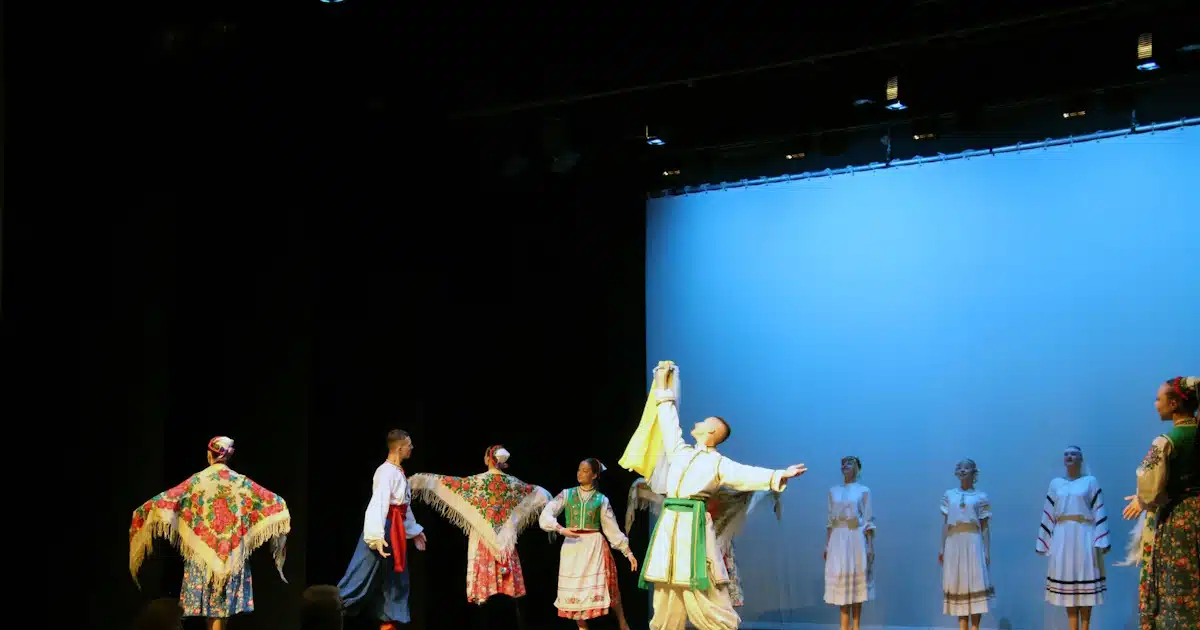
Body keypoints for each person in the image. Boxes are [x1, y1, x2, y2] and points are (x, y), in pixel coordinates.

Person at [618, 361, 807, 630]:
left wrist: (778, 475)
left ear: (710, 432)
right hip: (670, 527)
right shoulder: (680, 452)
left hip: (693, 529)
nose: (696, 422)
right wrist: (662, 382)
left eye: (703, 422)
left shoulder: (718, 464)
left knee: (706, 592)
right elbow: (668, 419)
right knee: (666, 594)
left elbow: (746, 474)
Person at [129, 437, 290, 630]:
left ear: (209, 455)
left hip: (201, 559)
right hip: (232, 559)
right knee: (221, 617)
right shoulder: (242, 484)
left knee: (213, 618)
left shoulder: (196, 481)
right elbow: (274, 501)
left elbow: (166, 499)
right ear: (229, 457)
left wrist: (142, 514)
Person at [409, 445, 551, 629]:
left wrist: (418, 480)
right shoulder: (514, 485)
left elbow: (448, 483)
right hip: (506, 545)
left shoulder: (477, 484)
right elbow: (540, 493)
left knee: (484, 602)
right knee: (508, 598)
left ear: (488, 459)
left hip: (483, 543)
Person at [625, 477, 782, 609]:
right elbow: (664, 496)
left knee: (720, 594)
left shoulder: (724, 497)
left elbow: (750, 492)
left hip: (717, 550)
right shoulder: (690, 496)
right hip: (697, 548)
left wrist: (772, 483)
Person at [1119, 376, 1198, 630]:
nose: (1155, 404)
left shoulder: (1166, 441)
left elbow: (1150, 485)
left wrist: (1144, 500)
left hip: (1179, 518)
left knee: (1176, 581)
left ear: (1174, 403)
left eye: (1158, 399)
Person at [337, 429, 427, 630]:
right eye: (409, 445)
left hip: (396, 528)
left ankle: (390, 623)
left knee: (396, 580)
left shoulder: (398, 473)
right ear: (400, 447)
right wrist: (375, 536)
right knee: (361, 575)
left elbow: (404, 507)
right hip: (383, 528)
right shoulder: (385, 472)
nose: (412, 448)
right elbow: (378, 503)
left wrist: (414, 531)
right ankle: (326, 613)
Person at [539, 458, 637, 629]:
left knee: (609, 585)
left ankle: (623, 623)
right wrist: (560, 529)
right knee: (575, 589)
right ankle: (582, 627)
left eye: (585, 470)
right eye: (579, 469)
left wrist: (628, 552)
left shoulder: (601, 499)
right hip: (572, 546)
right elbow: (546, 515)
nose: (580, 473)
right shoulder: (567, 494)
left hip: (594, 546)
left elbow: (612, 529)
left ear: (594, 475)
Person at [1035, 446, 1110, 630]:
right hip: (1062, 535)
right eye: (1066, 454)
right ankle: (1072, 626)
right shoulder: (1056, 484)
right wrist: (1044, 541)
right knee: (1067, 581)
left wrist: (1102, 540)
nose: (1069, 456)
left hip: (1084, 534)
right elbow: (1048, 513)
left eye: (1073, 454)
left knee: (1085, 578)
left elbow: (1098, 509)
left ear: (1081, 459)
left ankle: (1085, 626)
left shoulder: (1090, 481)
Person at [939, 458, 993, 630]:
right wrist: (942, 548)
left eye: (967, 468)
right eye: (960, 468)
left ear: (973, 472)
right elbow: (946, 523)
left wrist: (986, 550)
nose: (963, 471)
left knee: (975, 583)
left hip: (973, 541)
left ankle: (975, 626)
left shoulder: (980, 497)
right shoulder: (949, 495)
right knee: (959, 584)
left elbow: (985, 527)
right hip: (954, 542)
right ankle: (962, 626)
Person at [824, 456, 875, 630]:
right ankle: (843, 627)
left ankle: (856, 626)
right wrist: (827, 544)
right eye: (843, 463)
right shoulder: (833, 491)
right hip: (838, 538)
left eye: (849, 463)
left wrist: (870, 547)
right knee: (842, 582)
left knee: (856, 582)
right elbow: (830, 520)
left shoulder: (864, 490)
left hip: (856, 537)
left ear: (857, 468)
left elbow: (868, 520)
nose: (845, 466)